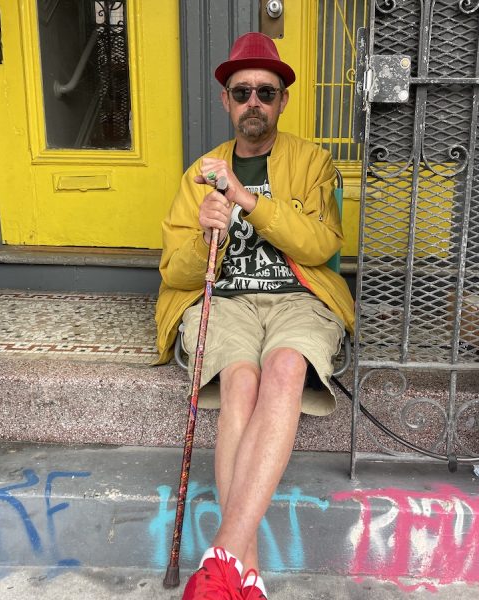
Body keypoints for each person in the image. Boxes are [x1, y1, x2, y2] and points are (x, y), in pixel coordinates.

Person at [155, 32, 354, 600]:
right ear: (226, 100)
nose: (254, 103)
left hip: (300, 298)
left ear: (283, 101)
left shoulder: (313, 162)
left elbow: (320, 245)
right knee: (241, 381)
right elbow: (175, 272)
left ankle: (220, 559)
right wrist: (204, 230)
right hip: (226, 302)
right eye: (242, 92)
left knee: (286, 368)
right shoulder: (199, 172)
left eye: (266, 92)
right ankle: (246, 575)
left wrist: (248, 200)